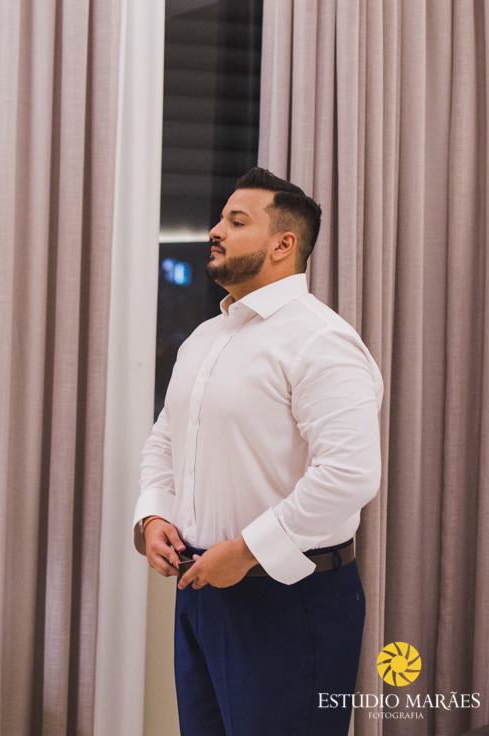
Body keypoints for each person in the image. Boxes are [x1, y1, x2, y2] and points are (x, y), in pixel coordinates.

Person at [134, 167, 383, 736]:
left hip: (291, 600)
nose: (215, 230)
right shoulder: (204, 339)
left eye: (236, 221)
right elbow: (166, 439)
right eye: (221, 218)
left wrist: (247, 551)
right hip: (201, 592)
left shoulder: (322, 340)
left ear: (283, 244)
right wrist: (153, 515)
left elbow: (349, 474)